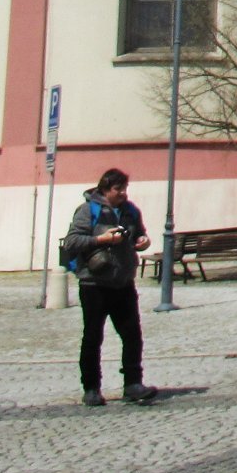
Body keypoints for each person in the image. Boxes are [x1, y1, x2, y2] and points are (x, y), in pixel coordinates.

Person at [62, 167, 156, 407]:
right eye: (118, 189)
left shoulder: (130, 211)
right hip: (94, 284)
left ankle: (133, 384)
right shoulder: (87, 211)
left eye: (125, 188)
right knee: (93, 337)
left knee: (132, 335)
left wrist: (142, 241)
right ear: (105, 189)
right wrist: (101, 239)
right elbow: (72, 241)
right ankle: (91, 388)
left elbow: (140, 236)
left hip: (123, 282)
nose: (123, 193)